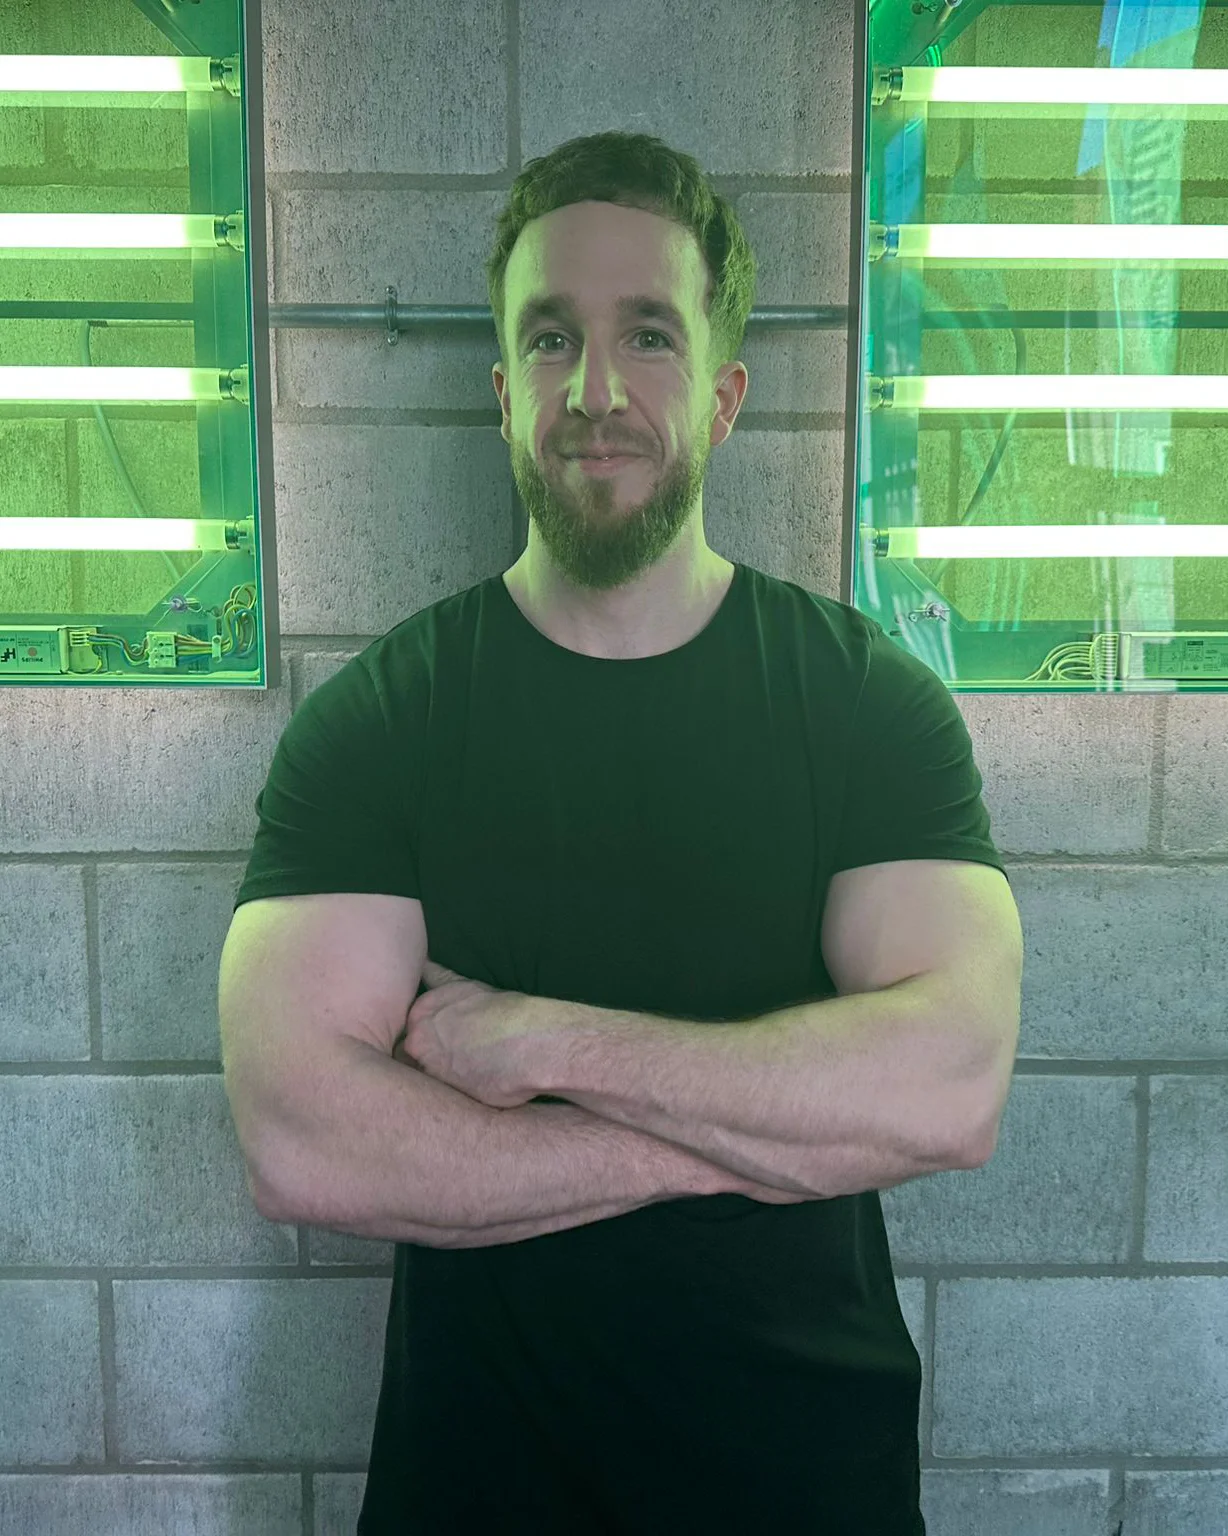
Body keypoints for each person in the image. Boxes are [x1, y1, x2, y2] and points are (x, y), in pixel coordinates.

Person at [221, 131, 1007, 1533]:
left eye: (649, 334)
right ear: (500, 392)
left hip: (809, 1489)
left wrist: (544, 1046)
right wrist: (754, 1138)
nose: (594, 390)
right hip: (479, 1495)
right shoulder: (384, 722)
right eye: (548, 339)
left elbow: (948, 1089)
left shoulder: (867, 707)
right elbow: (301, 1139)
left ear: (724, 395)